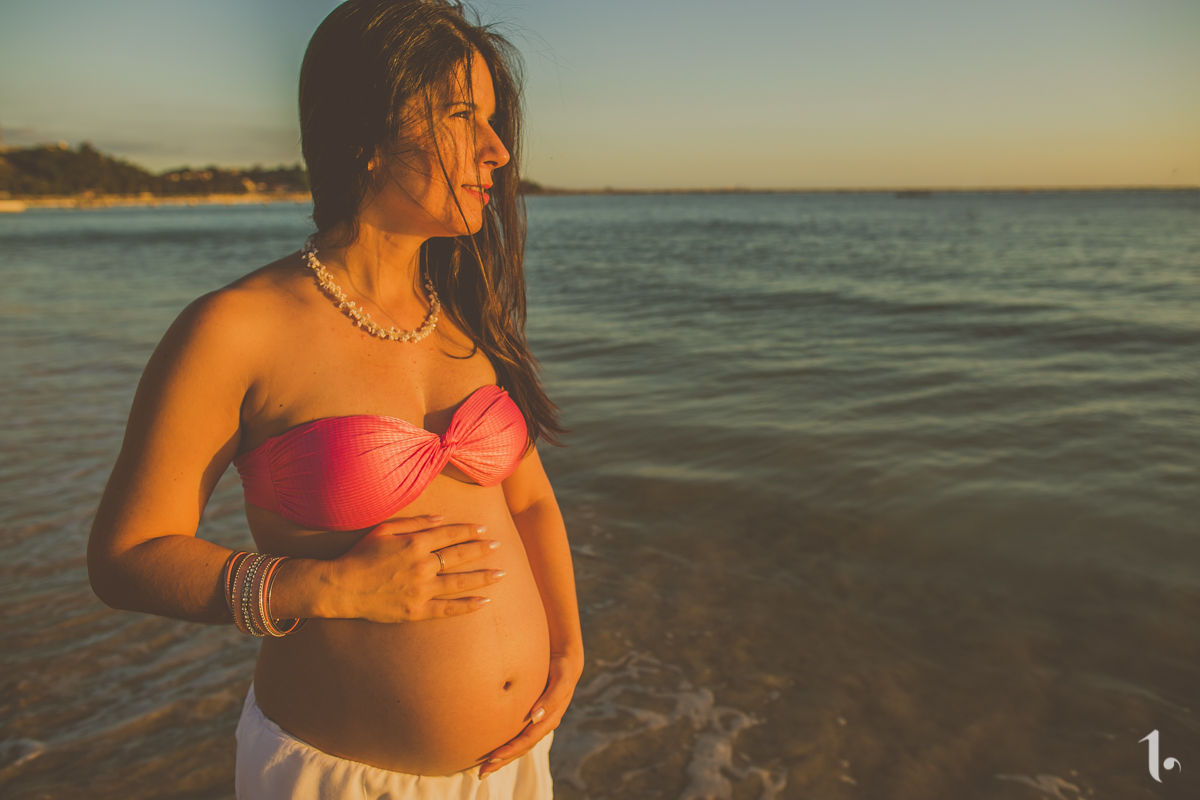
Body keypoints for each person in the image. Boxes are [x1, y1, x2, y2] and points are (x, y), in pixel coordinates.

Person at [86, 1, 583, 797]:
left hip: (513, 768)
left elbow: (530, 501)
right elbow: (126, 558)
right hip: (341, 779)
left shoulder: (463, 322)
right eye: (463, 114)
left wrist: (567, 649)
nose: (497, 150)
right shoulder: (234, 330)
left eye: (494, 121)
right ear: (366, 128)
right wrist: (325, 588)